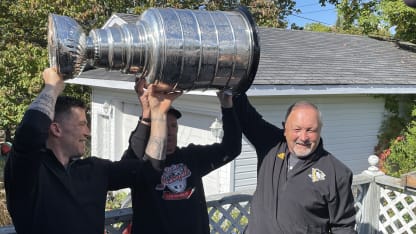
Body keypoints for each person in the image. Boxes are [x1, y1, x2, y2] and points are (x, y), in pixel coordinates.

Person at [4, 68, 180, 234]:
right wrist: (52, 87)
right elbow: (31, 131)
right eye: (82, 124)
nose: (88, 132)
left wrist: (154, 115)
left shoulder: (93, 169)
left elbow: (148, 171)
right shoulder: (28, 174)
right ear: (56, 129)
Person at [121, 78, 242, 234]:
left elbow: (231, 149)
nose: (170, 131)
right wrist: (147, 116)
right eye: (164, 124)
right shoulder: (143, 165)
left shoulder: (191, 157)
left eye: (173, 125)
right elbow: (126, 167)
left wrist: (227, 106)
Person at [232, 93, 357, 234]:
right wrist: (235, 88)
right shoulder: (270, 145)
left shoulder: (337, 173)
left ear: (320, 130)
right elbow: (246, 115)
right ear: (285, 129)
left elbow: (343, 228)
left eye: (311, 130)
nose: (303, 137)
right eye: (297, 129)